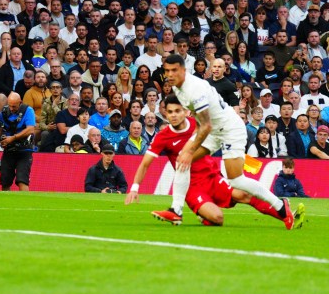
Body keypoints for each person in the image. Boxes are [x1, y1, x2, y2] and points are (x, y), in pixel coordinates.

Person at [153, 54, 297, 227]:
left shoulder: (194, 89)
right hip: (213, 129)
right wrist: (188, 150)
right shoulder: (177, 88)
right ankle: (176, 211)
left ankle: (281, 206)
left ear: (184, 70)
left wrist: (190, 148)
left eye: (174, 70)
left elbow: (205, 125)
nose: (169, 74)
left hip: (230, 129)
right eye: (167, 70)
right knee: (183, 161)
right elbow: (203, 122)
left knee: (236, 180)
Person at [126, 96, 303, 227]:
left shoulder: (199, 125)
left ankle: (285, 214)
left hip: (212, 176)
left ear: (185, 111)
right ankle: (200, 214)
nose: (174, 115)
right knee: (218, 218)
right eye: (170, 112)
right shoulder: (163, 136)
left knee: (243, 194)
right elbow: (145, 163)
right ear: (165, 113)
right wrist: (134, 187)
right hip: (191, 186)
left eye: (177, 111)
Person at [0, 92, 36, 191]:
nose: (12, 109)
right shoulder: (3, 113)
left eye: (14, 106)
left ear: (20, 103)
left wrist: (13, 138)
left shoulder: (28, 110)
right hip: (9, 150)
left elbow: (30, 129)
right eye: (10, 106)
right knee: (5, 180)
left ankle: (24, 203)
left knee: (22, 180)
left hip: (24, 150)